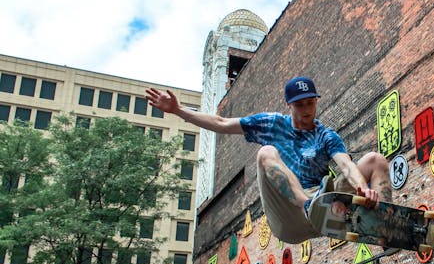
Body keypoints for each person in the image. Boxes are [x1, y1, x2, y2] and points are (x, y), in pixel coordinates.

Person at [146, 76, 390, 243]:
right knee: (265, 152)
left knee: (374, 159)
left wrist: (362, 189)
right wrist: (178, 111)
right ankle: (310, 205)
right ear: (289, 105)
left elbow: (345, 165)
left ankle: (384, 225)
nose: (306, 110)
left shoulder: (326, 135)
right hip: (290, 215)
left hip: (327, 209)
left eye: (311, 104)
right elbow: (221, 124)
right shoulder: (271, 123)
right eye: (300, 105)